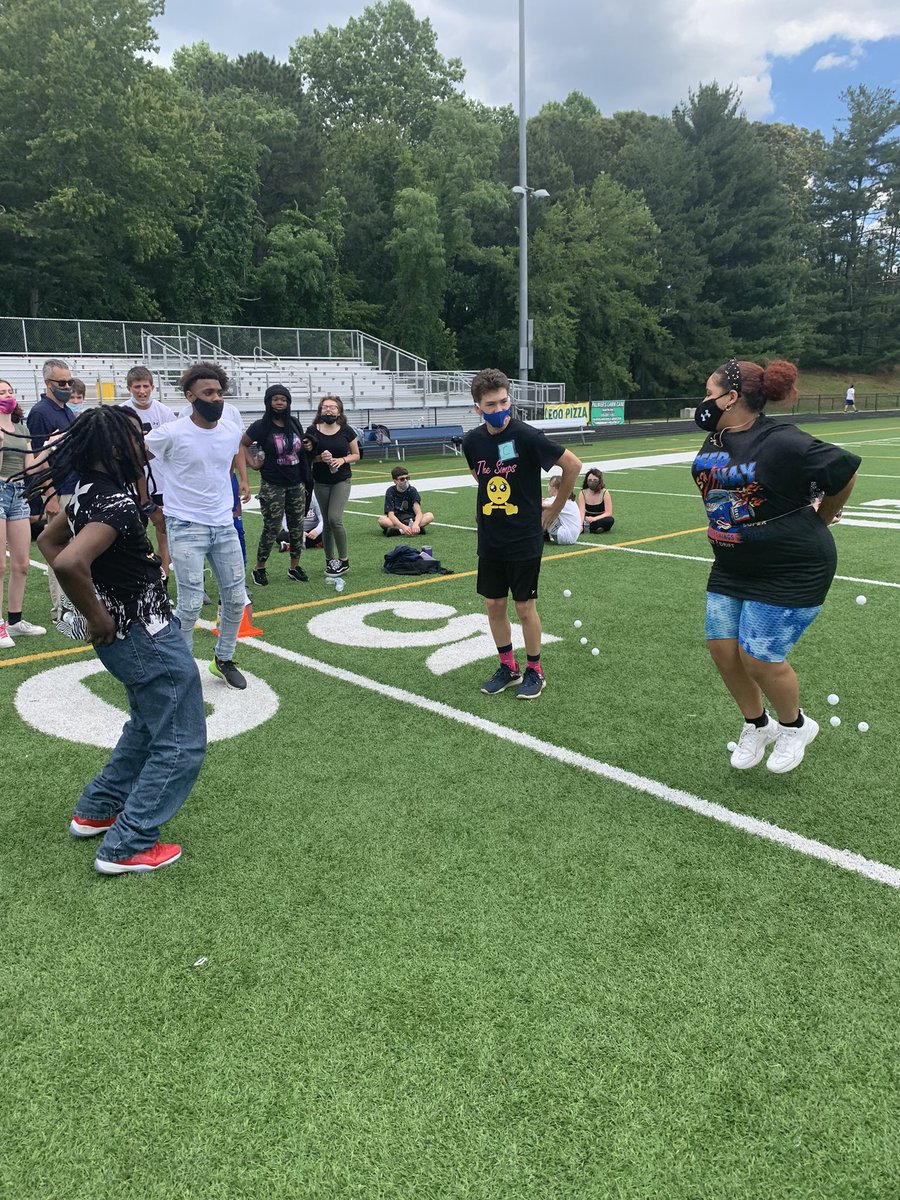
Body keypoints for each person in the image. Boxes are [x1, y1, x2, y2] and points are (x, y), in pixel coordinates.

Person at [23, 406, 206, 874]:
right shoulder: (116, 503)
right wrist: (97, 613)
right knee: (182, 741)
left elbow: (48, 540)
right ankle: (128, 845)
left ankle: (98, 809)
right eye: (133, 436)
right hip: (144, 633)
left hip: (126, 638)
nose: (141, 442)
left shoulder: (85, 492)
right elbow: (65, 563)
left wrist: (100, 602)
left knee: (145, 725)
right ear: (113, 447)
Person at [691, 357, 861, 774]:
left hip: (791, 565)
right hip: (732, 562)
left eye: (709, 392)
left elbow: (844, 467)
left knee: (760, 658)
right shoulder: (717, 437)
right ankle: (758, 724)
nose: (704, 401)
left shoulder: (780, 440)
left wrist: (822, 516)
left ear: (731, 398)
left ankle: (795, 726)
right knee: (722, 650)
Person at [463, 368, 582, 700]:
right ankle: (508, 667)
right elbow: (482, 478)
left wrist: (555, 509)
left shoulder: (527, 435)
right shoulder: (472, 442)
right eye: (491, 404)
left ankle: (535, 671)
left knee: (524, 606)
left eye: (504, 401)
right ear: (478, 408)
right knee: (493, 603)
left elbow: (573, 464)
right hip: (490, 536)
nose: (499, 408)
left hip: (524, 537)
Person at [144, 362, 250, 690]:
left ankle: (223, 658)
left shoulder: (230, 429)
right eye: (208, 393)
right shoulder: (171, 432)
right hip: (185, 526)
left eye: (219, 392)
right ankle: (181, 667)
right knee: (189, 605)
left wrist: (238, 488)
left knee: (235, 599)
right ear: (190, 396)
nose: (216, 398)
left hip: (223, 524)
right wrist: (148, 504)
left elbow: (231, 460)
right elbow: (134, 458)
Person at [242, 384, 311, 585]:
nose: (279, 402)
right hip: (273, 484)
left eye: (283, 399)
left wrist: (307, 444)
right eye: (275, 399)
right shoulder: (261, 425)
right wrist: (254, 463)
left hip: (296, 483)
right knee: (271, 527)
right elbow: (243, 443)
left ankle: (294, 566)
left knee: (298, 526)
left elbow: (302, 447)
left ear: (288, 402)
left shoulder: (294, 423)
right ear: (268, 402)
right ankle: (259, 568)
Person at [26, 359, 78, 622]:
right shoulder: (39, 413)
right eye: (62, 383)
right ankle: (61, 608)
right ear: (48, 383)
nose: (67, 386)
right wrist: (50, 495)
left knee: (77, 548)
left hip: (75, 485)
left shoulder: (66, 411)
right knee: (58, 549)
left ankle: (75, 603)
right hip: (59, 489)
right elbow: (37, 457)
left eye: (69, 382)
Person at [0, 380, 46, 646]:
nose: (7, 396)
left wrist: (50, 446)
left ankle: (15, 621)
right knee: (1, 566)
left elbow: (30, 468)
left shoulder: (22, 428)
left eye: (9, 391)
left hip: (18, 494)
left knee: (22, 564)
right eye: (2, 393)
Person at [120, 365, 175, 573]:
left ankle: (163, 581)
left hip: (162, 483)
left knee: (164, 534)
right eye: (137, 387)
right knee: (135, 536)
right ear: (129, 388)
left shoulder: (165, 412)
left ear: (152, 386)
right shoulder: (122, 412)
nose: (142, 391)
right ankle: (140, 581)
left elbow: (173, 445)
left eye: (145, 386)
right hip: (132, 486)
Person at [305, 395, 360, 577]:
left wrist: (341, 459)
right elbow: (307, 456)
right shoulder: (312, 430)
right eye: (325, 407)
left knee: (335, 519)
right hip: (320, 481)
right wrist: (320, 458)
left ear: (339, 411)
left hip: (341, 480)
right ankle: (330, 560)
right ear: (320, 410)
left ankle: (344, 561)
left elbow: (356, 454)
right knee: (327, 523)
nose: (329, 410)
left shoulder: (346, 430)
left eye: (333, 407)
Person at [377, 465, 434, 536]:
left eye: (407, 478)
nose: (406, 480)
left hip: (411, 520)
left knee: (429, 516)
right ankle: (412, 530)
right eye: (402, 479)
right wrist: (403, 527)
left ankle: (399, 531)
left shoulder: (412, 490)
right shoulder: (390, 491)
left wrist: (416, 524)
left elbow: (419, 512)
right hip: (396, 520)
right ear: (395, 481)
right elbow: (390, 515)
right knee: (382, 520)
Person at [542, 474, 581, 544]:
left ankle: (540, 534)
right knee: (548, 509)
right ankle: (543, 534)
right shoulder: (564, 499)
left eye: (549, 485)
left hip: (564, 536)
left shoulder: (558, 499)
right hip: (570, 537)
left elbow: (541, 504)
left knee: (543, 510)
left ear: (554, 488)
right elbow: (545, 501)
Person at [578, 468, 615, 534]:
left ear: (599, 481)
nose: (592, 482)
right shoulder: (582, 493)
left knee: (610, 520)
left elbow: (608, 513)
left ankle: (590, 528)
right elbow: (581, 512)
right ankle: (595, 529)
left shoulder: (605, 493)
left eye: (595, 480)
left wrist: (594, 519)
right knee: (575, 519)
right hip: (587, 518)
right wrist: (580, 525)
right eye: (590, 480)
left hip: (600, 518)